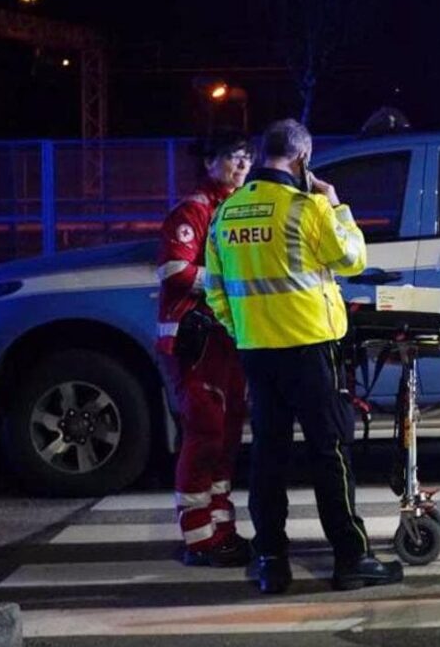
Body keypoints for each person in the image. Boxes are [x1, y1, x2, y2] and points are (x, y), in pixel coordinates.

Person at [204, 118, 402, 595]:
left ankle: (272, 562)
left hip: (256, 352)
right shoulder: (307, 208)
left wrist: (245, 332)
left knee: (267, 458)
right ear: (303, 159)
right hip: (311, 348)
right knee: (329, 452)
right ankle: (350, 558)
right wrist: (338, 206)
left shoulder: (226, 213)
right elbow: (352, 258)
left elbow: (215, 292)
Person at [155, 133, 253, 567]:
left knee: (227, 435)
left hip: (225, 342)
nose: (243, 164)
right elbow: (176, 269)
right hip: (191, 342)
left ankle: (222, 528)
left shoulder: (235, 207)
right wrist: (228, 281)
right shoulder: (193, 210)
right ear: (211, 161)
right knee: (205, 433)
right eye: (235, 156)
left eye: (248, 157)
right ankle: (198, 538)